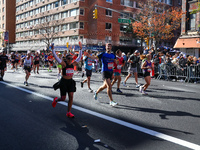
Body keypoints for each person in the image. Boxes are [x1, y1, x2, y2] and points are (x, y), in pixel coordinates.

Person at [51, 42, 83, 118]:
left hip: (70, 82)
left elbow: (79, 57)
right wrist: (53, 50)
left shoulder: (73, 64)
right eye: (69, 58)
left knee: (71, 96)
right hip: (64, 82)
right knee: (63, 98)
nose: (70, 60)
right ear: (66, 59)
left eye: (71, 58)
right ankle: (56, 100)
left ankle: (68, 112)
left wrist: (81, 49)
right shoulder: (64, 64)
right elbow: (57, 58)